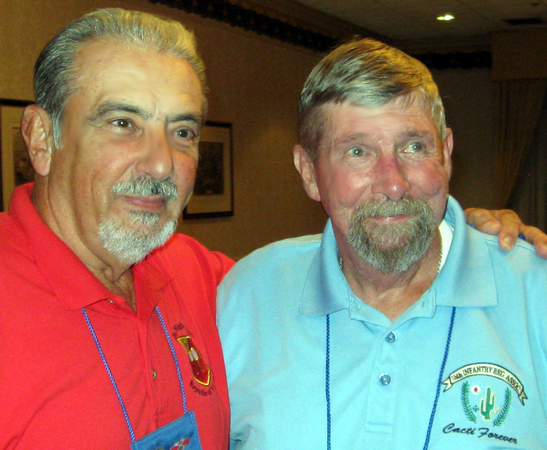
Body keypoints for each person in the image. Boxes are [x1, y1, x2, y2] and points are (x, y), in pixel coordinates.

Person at [217, 38, 547, 449]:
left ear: (445, 153)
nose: (394, 183)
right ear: (307, 172)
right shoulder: (247, 292)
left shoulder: (536, 291)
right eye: (358, 151)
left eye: (414, 147)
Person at [0, 9, 233, 449]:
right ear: (42, 139)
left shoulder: (196, 271)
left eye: (182, 131)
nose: (162, 163)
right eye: (122, 123)